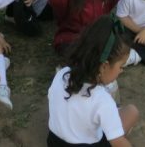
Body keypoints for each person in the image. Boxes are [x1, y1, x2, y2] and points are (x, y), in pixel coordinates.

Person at [47, 15, 138, 147]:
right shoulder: (102, 100)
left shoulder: (62, 73)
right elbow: (118, 142)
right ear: (104, 66)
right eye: (121, 66)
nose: (121, 71)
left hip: (54, 142)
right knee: (132, 112)